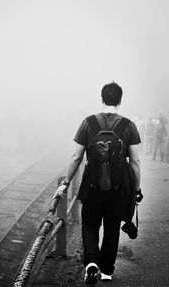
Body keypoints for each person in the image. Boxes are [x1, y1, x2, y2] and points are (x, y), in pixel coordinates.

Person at [53, 82, 142, 285]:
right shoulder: (129, 126)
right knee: (112, 226)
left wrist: (66, 183)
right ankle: (107, 270)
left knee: (91, 224)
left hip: (92, 186)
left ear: (102, 99)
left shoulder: (88, 123)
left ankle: (91, 262)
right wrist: (136, 189)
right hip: (118, 189)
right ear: (120, 100)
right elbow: (135, 161)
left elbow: (76, 156)